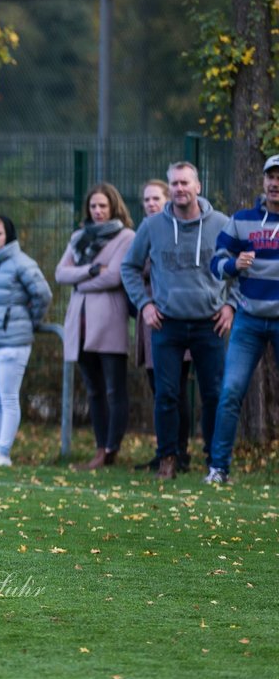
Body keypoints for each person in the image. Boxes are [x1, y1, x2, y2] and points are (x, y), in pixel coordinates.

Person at [121, 162, 232, 480]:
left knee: (213, 394)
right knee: (167, 394)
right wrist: (144, 304)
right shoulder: (153, 225)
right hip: (165, 324)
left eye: (185, 182)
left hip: (209, 324)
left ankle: (216, 462)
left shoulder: (221, 224)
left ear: (198, 186)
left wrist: (231, 307)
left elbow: (239, 269)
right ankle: (167, 457)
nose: (179, 188)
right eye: (174, 183)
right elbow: (129, 267)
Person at [204, 154, 279, 484]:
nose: (276, 183)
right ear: (263, 182)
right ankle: (218, 469)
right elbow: (216, 262)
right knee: (231, 391)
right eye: (271, 177)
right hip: (248, 319)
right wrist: (235, 265)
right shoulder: (243, 220)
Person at [57, 182, 136, 471]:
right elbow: (59, 273)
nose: (98, 211)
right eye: (94, 206)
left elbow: (114, 277)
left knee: (114, 389)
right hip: (79, 322)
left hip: (109, 321)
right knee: (94, 390)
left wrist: (78, 279)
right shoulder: (80, 237)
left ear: (114, 206)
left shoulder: (126, 237)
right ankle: (100, 447)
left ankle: (112, 448)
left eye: (103, 205)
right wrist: (90, 271)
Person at [0, 215, 52, 466]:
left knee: (8, 398)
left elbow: (43, 294)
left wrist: (29, 320)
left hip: (14, 341)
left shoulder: (22, 262)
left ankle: (3, 451)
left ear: (8, 235)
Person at [132, 179, 191, 472]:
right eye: (146, 199)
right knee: (159, 389)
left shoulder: (174, 231)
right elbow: (130, 267)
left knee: (176, 389)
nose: (151, 204)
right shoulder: (144, 232)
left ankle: (180, 452)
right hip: (150, 317)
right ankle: (164, 451)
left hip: (176, 315)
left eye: (156, 198)